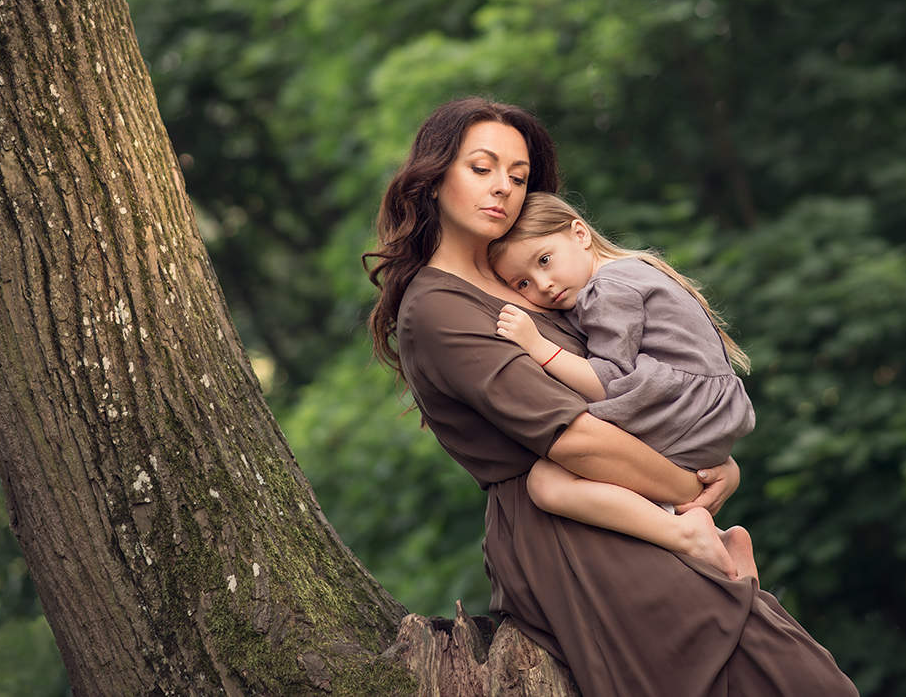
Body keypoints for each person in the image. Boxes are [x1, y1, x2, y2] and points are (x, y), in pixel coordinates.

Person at [366, 96, 858, 697]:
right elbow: (572, 437)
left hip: (636, 507)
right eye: (482, 168)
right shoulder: (439, 308)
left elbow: (634, 380)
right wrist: (690, 491)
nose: (503, 189)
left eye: (518, 177)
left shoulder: (530, 275)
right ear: (435, 175)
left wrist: (712, 460)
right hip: (575, 532)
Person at [488, 192, 759, 580]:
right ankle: (721, 541)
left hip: (684, 409)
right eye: (523, 282)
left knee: (547, 481)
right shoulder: (635, 269)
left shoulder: (608, 289)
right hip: (706, 415)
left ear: (579, 234)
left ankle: (687, 532)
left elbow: (609, 381)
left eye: (545, 260)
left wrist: (537, 346)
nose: (543, 285)